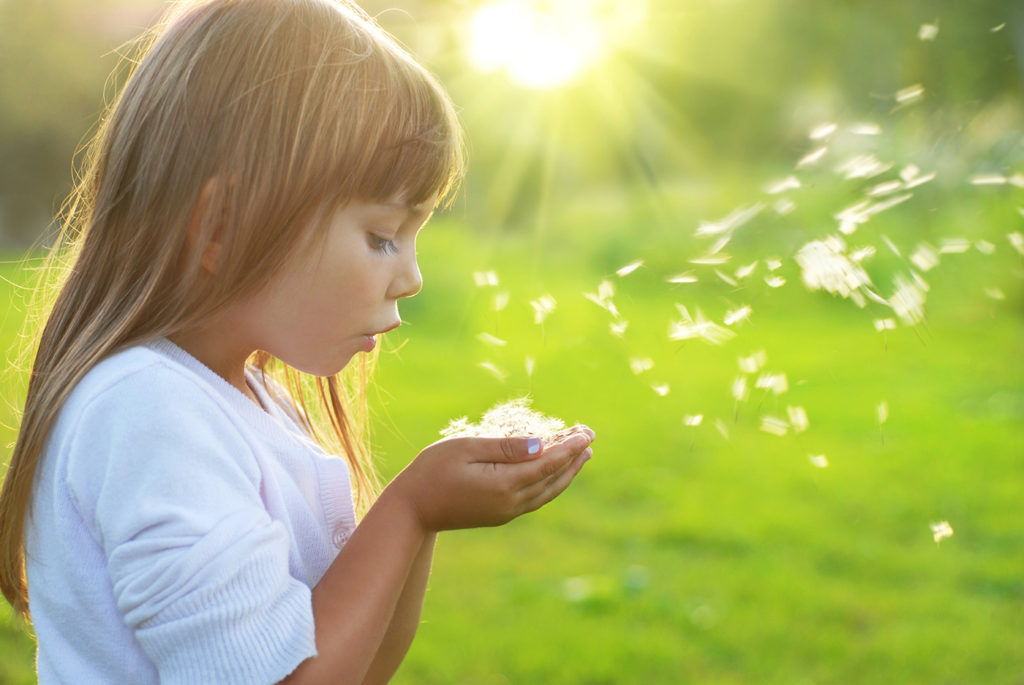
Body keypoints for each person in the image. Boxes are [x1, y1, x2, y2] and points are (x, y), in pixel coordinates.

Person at [0, 1, 595, 682]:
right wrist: (410, 505)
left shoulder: (250, 400)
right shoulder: (148, 414)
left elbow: (362, 667)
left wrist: (426, 520)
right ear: (223, 224)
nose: (411, 276)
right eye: (382, 237)